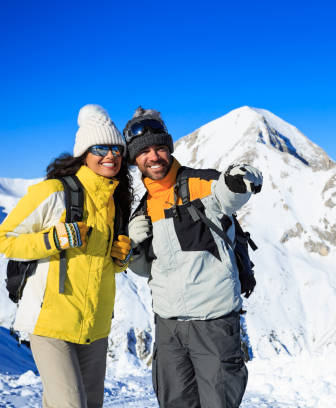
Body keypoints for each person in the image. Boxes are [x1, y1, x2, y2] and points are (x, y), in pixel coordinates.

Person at [125, 107, 262, 408]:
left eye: (160, 148)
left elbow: (227, 193)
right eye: (144, 151)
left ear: (170, 148)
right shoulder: (143, 210)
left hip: (213, 324)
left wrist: (240, 178)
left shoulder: (201, 184)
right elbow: (146, 268)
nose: (154, 156)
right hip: (169, 328)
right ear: (135, 159)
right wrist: (134, 246)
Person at [0, 104, 133, 408]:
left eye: (116, 149)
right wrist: (54, 239)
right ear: (84, 153)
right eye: (101, 147)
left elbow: (99, 268)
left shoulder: (115, 203)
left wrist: (120, 261)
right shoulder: (53, 192)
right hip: (51, 325)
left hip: (95, 328)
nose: (110, 155)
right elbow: (4, 239)